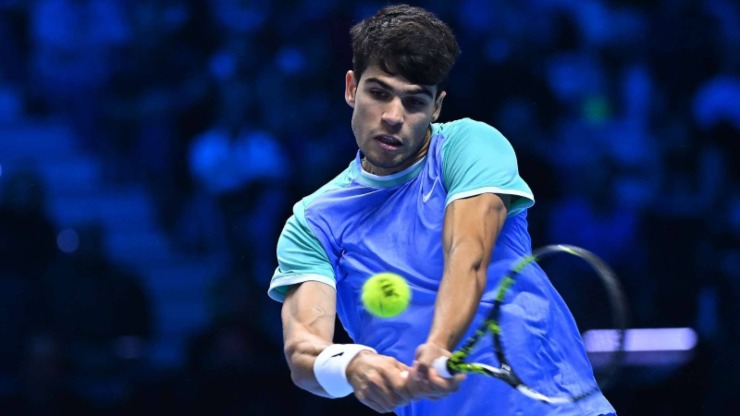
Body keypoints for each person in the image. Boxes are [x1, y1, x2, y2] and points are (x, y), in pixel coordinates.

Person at [267, 4, 616, 415]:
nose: (394, 116)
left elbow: (466, 253)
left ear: (436, 107)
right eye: (378, 93)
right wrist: (351, 365)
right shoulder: (313, 223)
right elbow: (304, 350)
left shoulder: (470, 146)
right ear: (350, 88)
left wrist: (437, 345)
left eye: (414, 102)